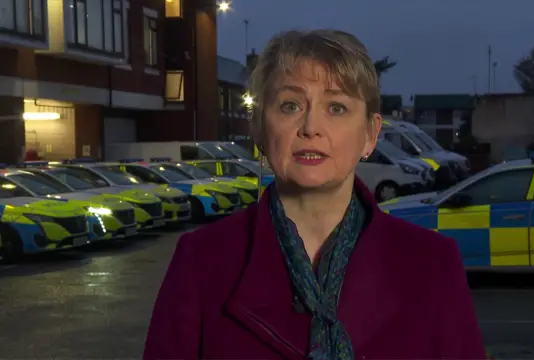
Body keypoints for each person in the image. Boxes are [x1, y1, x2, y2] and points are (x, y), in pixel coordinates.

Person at [144, 29, 485, 359]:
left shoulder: (432, 265)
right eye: (290, 105)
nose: (310, 127)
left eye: (336, 108)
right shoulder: (201, 263)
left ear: (370, 133)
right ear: (261, 129)